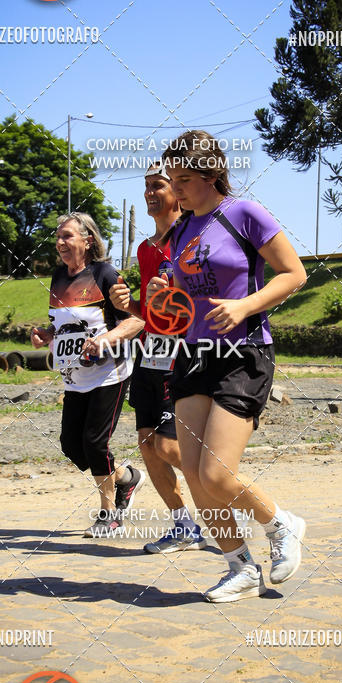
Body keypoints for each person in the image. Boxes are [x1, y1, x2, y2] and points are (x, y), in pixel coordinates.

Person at [146, 130, 307, 602]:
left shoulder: (244, 213)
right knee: (195, 476)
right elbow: (184, 288)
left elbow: (294, 273)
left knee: (217, 475)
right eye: (170, 180)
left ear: (212, 173)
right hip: (193, 356)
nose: (175, 189)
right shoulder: (179, 232)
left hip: (243, 352)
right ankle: (240, 567)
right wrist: (162, 291)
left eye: (184, 179)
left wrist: (244, 307)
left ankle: (280, 523)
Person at [110, 162, 206, 553]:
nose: (150, 192)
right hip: (151, 351)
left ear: (178, 192)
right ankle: (185, 527)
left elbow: (198, 303)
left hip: (183, 351)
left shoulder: (192, 238)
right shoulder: (145, 249)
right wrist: (129, 303)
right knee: (148, 445)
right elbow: (151, 313)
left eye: (159, 185)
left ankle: (229, 491)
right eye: (146, 185)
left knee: (168, 447)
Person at [31, 212, 145, 538]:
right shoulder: (58, 278)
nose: (60, 242)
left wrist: (105, 340)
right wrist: (46, 335)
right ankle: (126, 479)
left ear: (87, 240)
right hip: (74, 376)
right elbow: (62, 323)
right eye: (58, 236)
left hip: (110, 371)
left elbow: (137, 320)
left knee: (95, 444)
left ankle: (109, 515)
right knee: (72, 445)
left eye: (68, 236)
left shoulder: (105, 273)